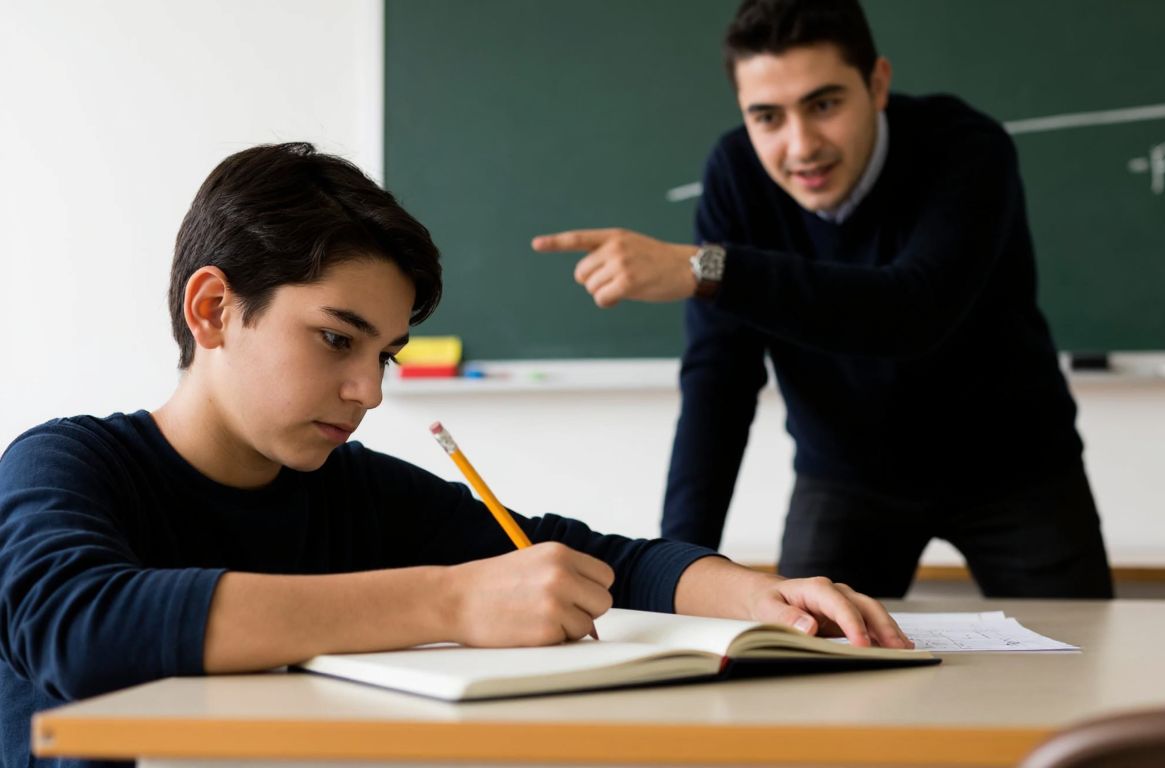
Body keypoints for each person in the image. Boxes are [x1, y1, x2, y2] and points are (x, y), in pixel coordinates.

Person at [0, 142, 912, 768]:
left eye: (384, 355)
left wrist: (755, 595)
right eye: (335, 339)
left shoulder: (352, 492)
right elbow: (83, 629)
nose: (371, 390)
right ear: (212, 311)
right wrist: (448, 597)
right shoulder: (64, 465)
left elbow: (590, 559)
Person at [531, 0, 1114, 600]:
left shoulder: (966, 148)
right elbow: (719, 381)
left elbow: (913, 310)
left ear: (877, 83)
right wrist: (677, 568)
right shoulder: (735, 177)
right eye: (767, 117)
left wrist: (702, 267)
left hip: (1015, 468)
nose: (801, 145)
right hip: (846, 476)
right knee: (810, 663)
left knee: (1082, 654)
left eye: (824, 105)